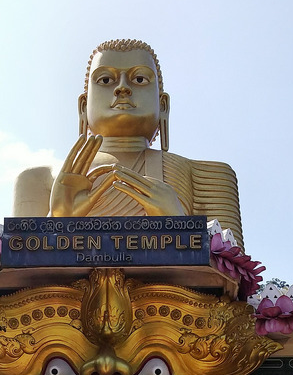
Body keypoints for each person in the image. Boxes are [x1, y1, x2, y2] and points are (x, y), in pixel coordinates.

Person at [12, 38, 244, 244]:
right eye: (105, 80)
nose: (122, 88)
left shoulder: (205, 176)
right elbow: (17, 272)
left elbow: (235, 273)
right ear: (83, 107)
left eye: (139, 79)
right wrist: (58, 221)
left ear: (163, 106)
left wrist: (177, 223)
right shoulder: (39, 180)